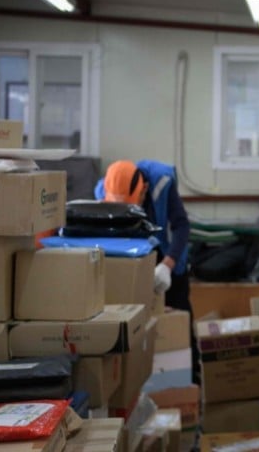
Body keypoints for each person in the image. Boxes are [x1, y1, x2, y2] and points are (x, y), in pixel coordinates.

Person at [96, 159, 201, 387]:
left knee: (180, 327)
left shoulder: (162, 182)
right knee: (139, 332)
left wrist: (168, 265)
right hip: (137, 264)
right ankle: (147, 387)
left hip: (170, 263)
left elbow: (182, 225)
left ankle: (190, 389)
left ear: (143, 188)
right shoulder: (103, 191)